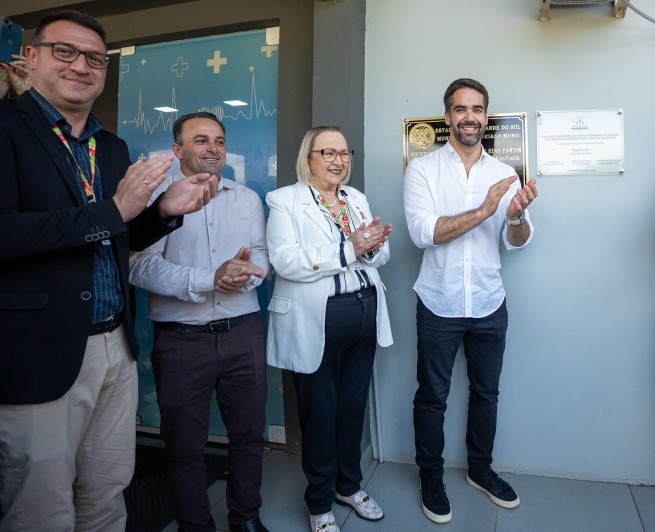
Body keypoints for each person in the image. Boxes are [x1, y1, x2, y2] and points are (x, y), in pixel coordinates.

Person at [0, 10, 216, 532]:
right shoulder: (6, 129)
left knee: (107, 491)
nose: (82, 66)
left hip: (115, 348)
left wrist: (163, 212)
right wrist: (112, 212)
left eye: (95, 58)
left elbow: (118, 235)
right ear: (31, 57)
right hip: (40, 352)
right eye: (64, 52)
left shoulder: (111, 147)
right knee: (41, 507)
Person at [404, 77, 539, 524]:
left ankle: (481, 471)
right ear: (447, 118)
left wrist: (515, 216)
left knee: (486, 394)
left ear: (485, 116)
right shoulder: (422, 169)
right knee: (432, 397)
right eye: (461, 109)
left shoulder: (504, 174)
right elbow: (424, 233)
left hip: (487, 303)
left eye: (477, 109)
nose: (470, 117)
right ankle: (431, 476)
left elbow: (516, 241)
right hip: (438, 303)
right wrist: (483, 211)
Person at [129, 112, 271, 532]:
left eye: (219, 141)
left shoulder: (246, 199)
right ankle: (194, 525)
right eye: (201, 140)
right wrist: (208, 280)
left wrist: (247, 271)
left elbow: (261, 253)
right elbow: (138, 267)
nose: (213, 149)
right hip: (181, 341)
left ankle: (245, 518)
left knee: (248, 436)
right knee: (184, 446)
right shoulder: (158, 203)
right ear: (178, 149)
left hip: (243, 334)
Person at [266, 126, 392, 532]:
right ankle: (319, 503)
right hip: (317, 318)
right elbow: (286, 262)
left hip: (364, 312)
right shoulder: (285, 201)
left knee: (353, 408)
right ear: (309, 158)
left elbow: (380, 253)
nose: (339, 160)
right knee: (321, 413)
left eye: (344, 152)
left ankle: (349, 486)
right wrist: (350, 248)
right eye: (328, 152)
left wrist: (371, 245)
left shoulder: (354, 198)